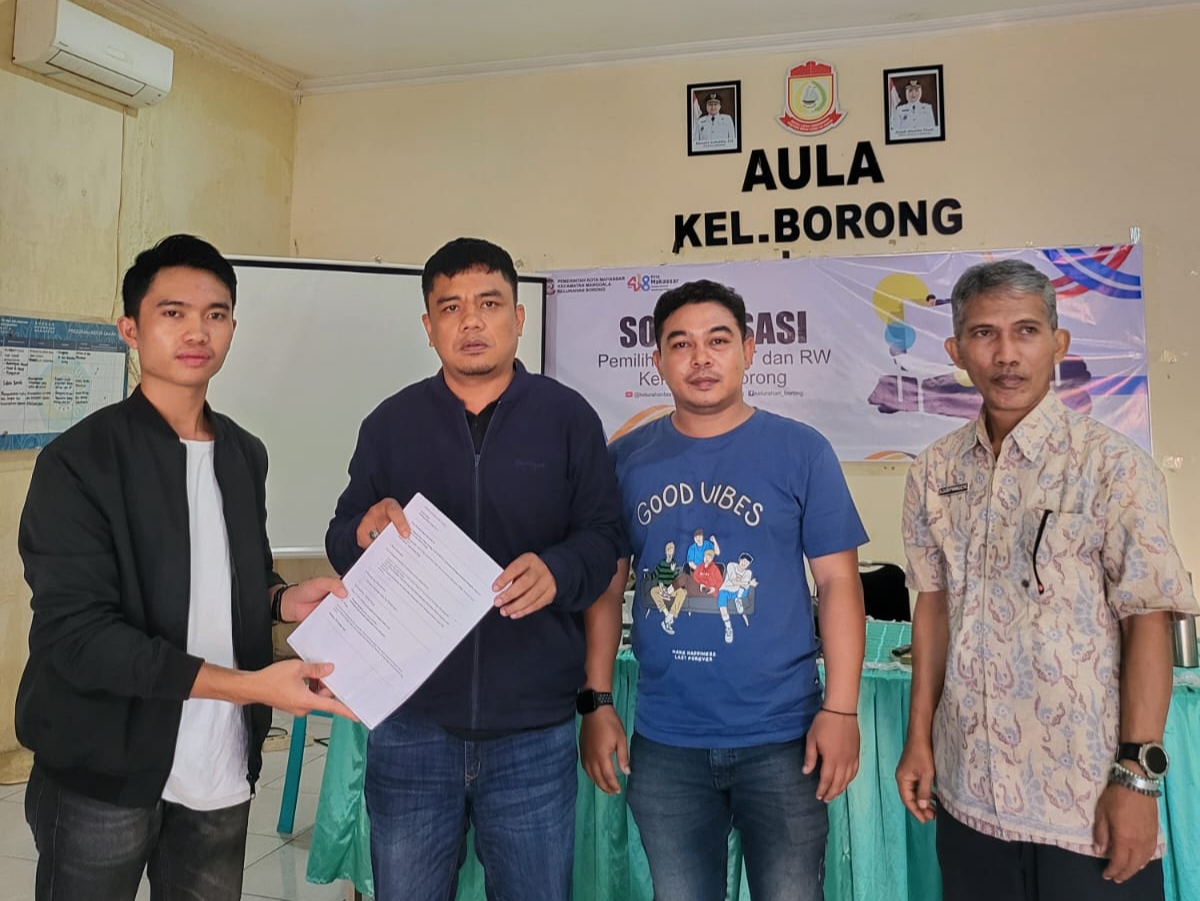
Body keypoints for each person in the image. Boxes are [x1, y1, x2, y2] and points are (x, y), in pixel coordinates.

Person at [16, 234, 353, 901]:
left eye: (216, 313)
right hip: (103, 767)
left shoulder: (243, 454)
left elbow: (222, 576)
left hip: (218, 766)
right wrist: (251, 687)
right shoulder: (79, 462)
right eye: (173, 312)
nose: (198, 331)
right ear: (130, 329)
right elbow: (79, 637)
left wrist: (281, 600)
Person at [325, 237, 623, 901]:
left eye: (488, 303)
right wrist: (363, 532)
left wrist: (558, 568)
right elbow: (343, 534)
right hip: (411, 724)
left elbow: (605, 537)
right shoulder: (391, 423)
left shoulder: (568, 418)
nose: (471, 321)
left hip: (533, 729)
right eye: (450, 307)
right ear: (428, 326)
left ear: (518, 318)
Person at [896, 259, 1198, 901]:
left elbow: (1147, 619)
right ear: (956, 351)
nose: (1006, 354)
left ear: (1058, 343)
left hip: (1085, 799)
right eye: (984, 333)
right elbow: (934, 608)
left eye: (1026, 331)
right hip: (969, 789)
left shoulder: (1113, 467)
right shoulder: (934, 472)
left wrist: (1137, 776)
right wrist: (919, 738)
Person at [580, 279, 868, 901]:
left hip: (784, 737)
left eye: (718, 340)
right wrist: (597, 700)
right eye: (681, 344)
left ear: (748, 350)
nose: (701, 358)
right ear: (658, 360)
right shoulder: (624, 460)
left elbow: (838, 582)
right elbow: (605, 589)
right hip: (667, 742)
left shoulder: (802, 451)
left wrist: (842, 709)